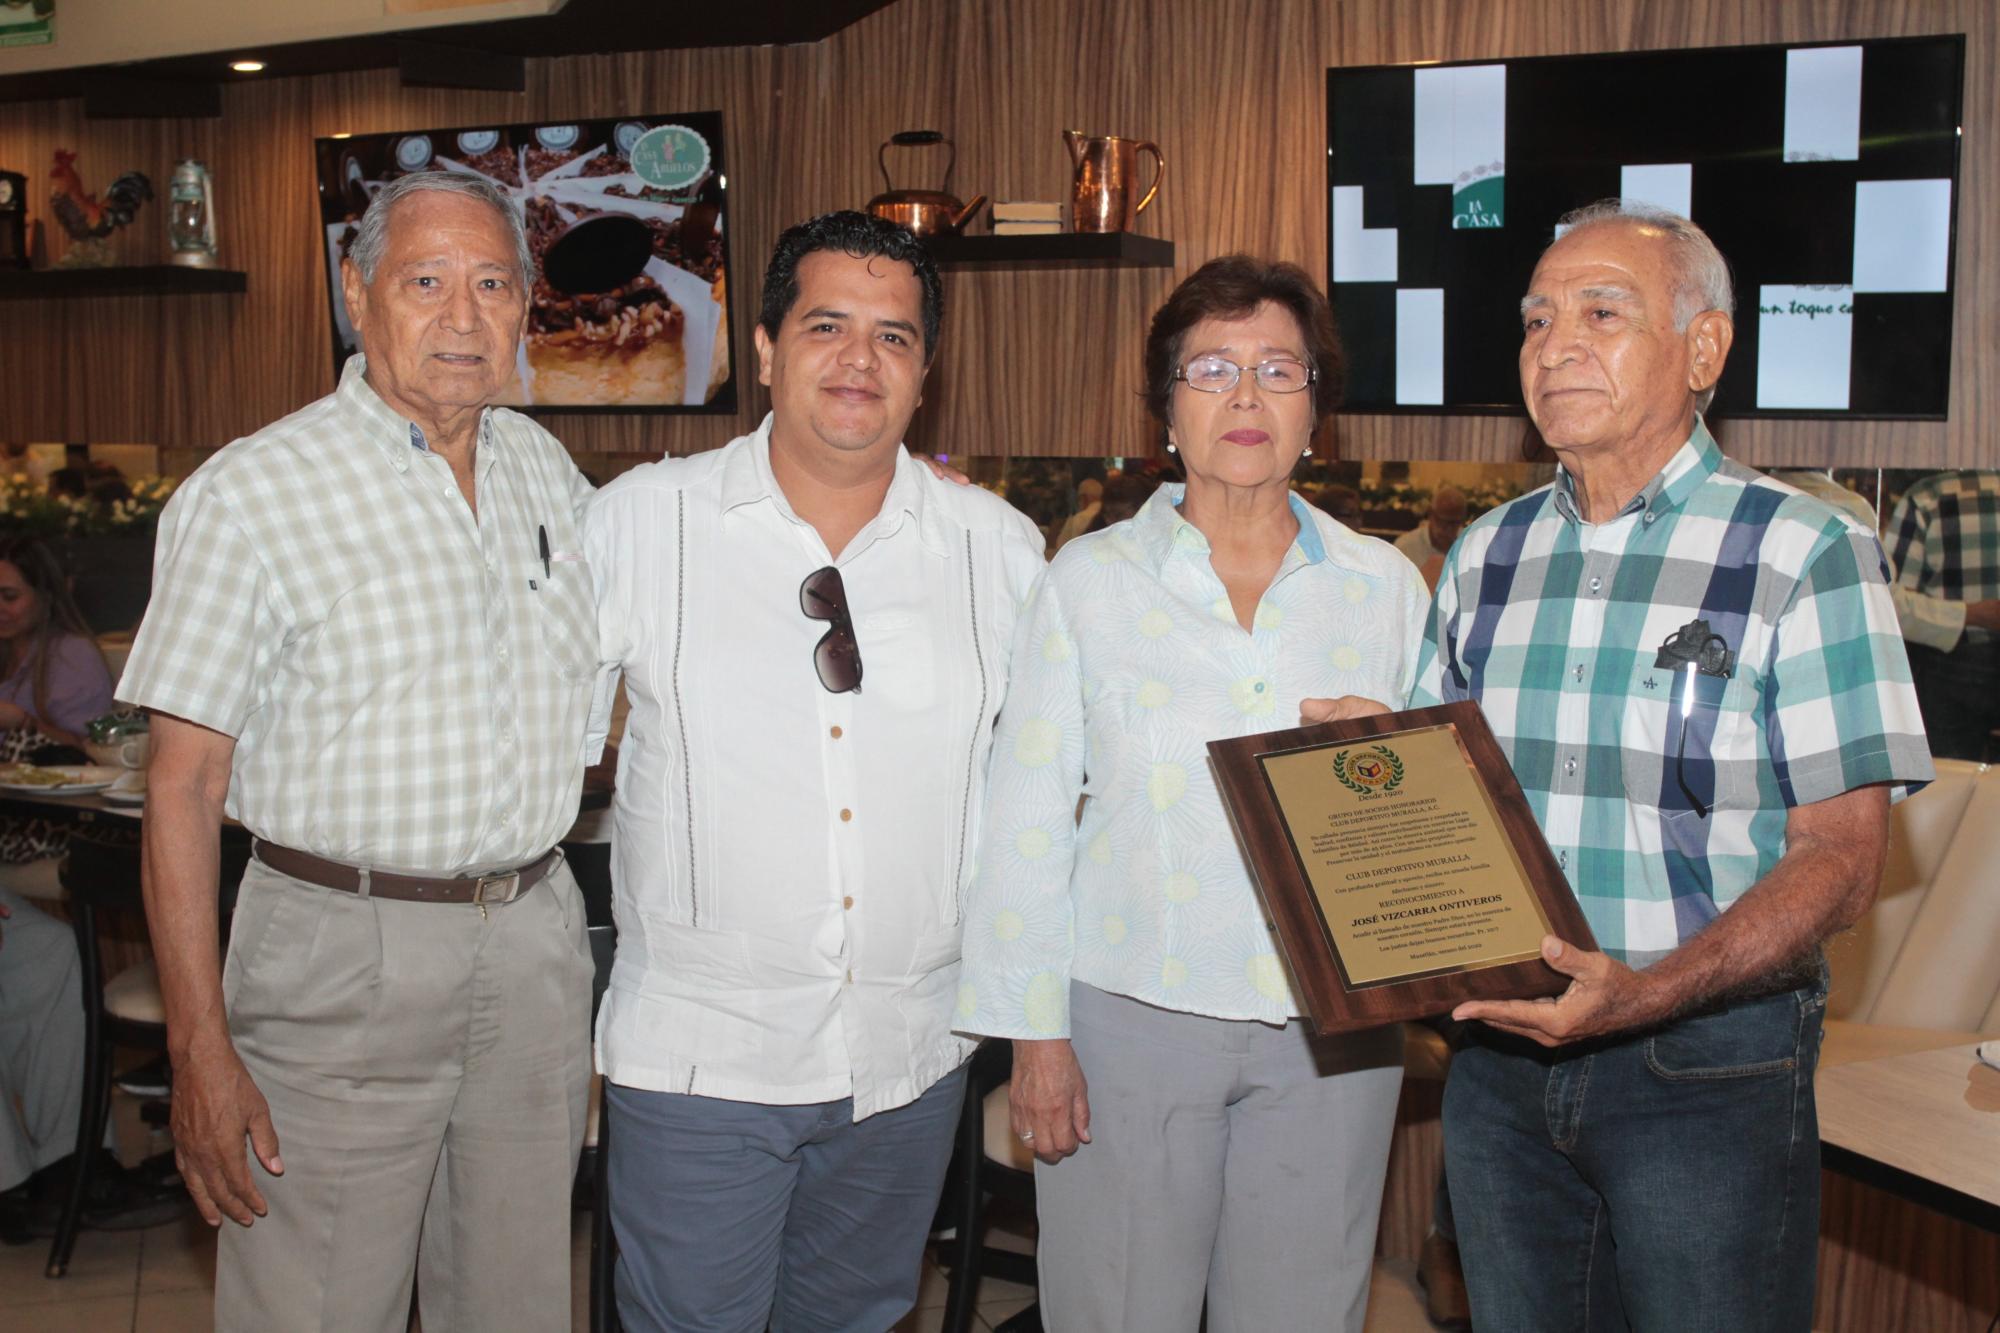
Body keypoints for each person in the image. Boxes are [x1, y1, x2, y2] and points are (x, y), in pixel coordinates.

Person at [1393, 200, 1931, 1330]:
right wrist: (1370, 767)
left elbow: (1840, 855)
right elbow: (1445, 811)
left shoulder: (1806, 549)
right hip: (1499, 1061)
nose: (1554, 345)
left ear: (1702, 348)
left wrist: (1645, 992)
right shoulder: (1487, 555)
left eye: (1601, 311)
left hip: (1705, 1066)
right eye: (1536, 319)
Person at [118, 171, 598, 1332]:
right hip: (341, 947)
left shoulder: (550, 473)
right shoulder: (251, 493)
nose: (462, 316)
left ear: (527, 308)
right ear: (356, 293)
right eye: (424, 282)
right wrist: (199, 1049)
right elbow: (180, 786)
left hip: (533, 938)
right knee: (316, 1305)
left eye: (492, 285)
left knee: (519, 1301)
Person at [583, 211, 1045, 1333]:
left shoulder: (999, 551)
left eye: (893, 337)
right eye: (826, 324)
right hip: (701, 1059)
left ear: (925, 373)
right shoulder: (643, 522)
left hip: (908, 1059)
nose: (857, 359)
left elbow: (1034, 800)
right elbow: (532, 743)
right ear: (766, 348)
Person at [959, 256, 1428, 1332]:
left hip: (1335, 1027)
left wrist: (1390, 767)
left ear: (1318, 405)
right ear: (1166, 407)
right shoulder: (1090, 579)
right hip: (1131, 1019)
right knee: (1117, 1312)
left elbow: (1443, 818)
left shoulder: (1385, 588)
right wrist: (1035, 1038)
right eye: (1210, 368)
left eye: (1278, 368)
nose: (1246, 396)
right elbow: (1024, 822)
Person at [1884, 469, 2000, 759]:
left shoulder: (1926, 498)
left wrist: (1967, 615)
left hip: (1948, 661)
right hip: (1951, 662)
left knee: (1951, 781)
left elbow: (1889, 603)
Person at [0, 536, 114, 753]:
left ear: (46, 596)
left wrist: (20, 722)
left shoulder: (73, 656)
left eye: (9, 597)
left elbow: (92, 751)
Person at [1393, 483, 1466, 569]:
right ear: (1430, 514)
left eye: (1455, 523)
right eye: (1444, 522)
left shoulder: (1469, 545)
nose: (1449, 529)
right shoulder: (1405, 547)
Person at [1053, 475, 1103, 550]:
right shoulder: (1108, 516)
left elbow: (1061, 548)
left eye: (1079, 499)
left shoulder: (1079, 518)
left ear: (1084, 498)